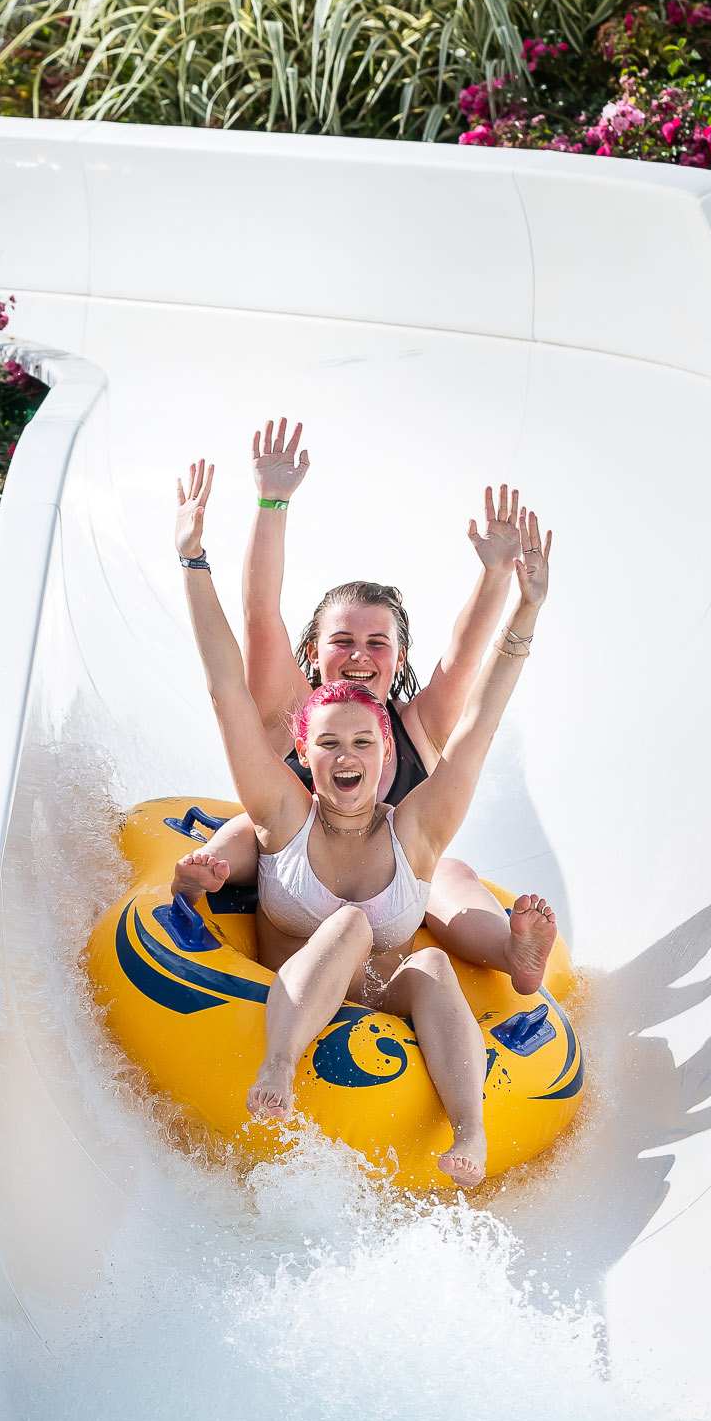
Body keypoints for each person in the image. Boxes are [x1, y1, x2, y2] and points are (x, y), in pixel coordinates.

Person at [173, 456, 552, 1189]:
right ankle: (278, 1066)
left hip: (379, 984)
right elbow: (226, 683)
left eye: (364, 744)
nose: (349, 758)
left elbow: (480, 719)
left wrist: (523, 606)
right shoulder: (282, 809)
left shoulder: (416, 824)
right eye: (330, 745)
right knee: (338, 917)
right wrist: (193, 556)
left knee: (434, 959)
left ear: (386, 751)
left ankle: (469, 1129)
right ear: (304, 751)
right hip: (290, 970)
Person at [169, 420, 558, 997]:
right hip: (289, 869)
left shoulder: (416, 726)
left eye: (378, 644)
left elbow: (468, 655)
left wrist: (497, 573)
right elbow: (259, 612)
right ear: (311, 652)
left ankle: (512, 949)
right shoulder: (291, 710)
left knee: (448, 874)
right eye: (342, 641)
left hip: (391, 896)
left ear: (398, 661)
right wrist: (271, 501)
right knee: (251, 828)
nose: (359, 656)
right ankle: (197, 882)